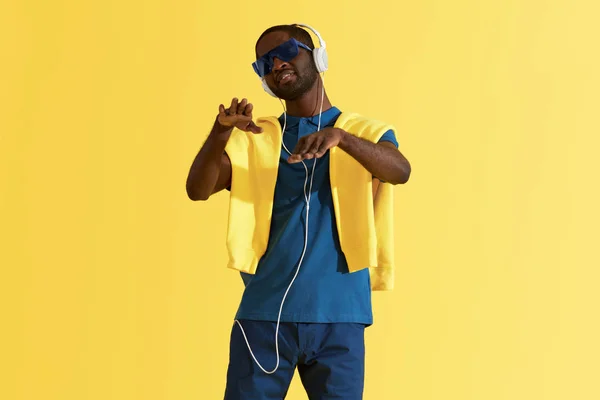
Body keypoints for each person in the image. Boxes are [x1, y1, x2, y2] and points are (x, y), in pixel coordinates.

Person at [186, 23, 411, 400]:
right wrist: (221, 132)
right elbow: (198, 189)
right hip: (264, 316)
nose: (276, 64)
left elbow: (399, 171)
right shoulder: (256, 137)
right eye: (264, 63)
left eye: (287, 51)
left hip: (340, 316)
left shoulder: (364, 131)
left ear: (317, 55)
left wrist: (342, 139)